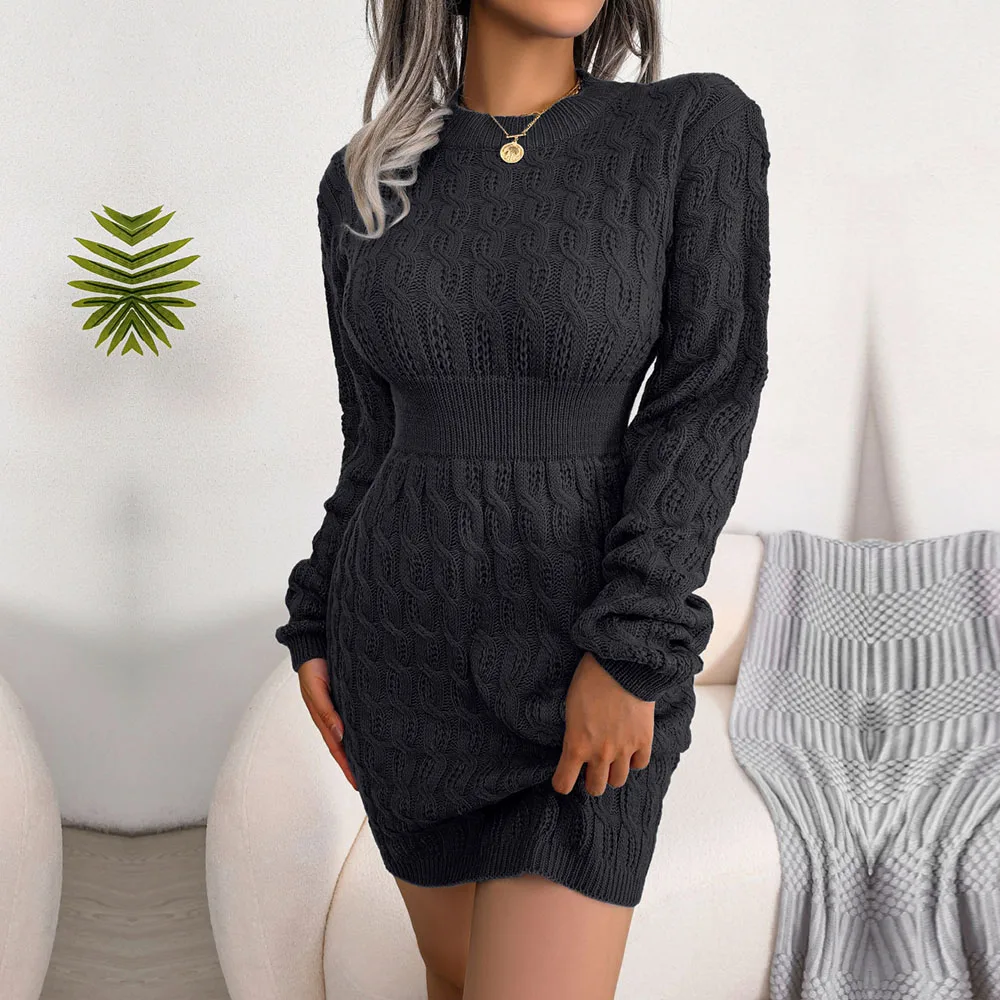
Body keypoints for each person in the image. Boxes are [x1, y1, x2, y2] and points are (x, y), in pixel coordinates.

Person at [275, 0, 771, 996]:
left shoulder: (690, 127)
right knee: (454, 981)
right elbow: (371, 439)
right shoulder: (365, 181)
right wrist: (315, 621)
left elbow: (706, 395)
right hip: (399, 663)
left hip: (586, 658)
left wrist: (631, 649)